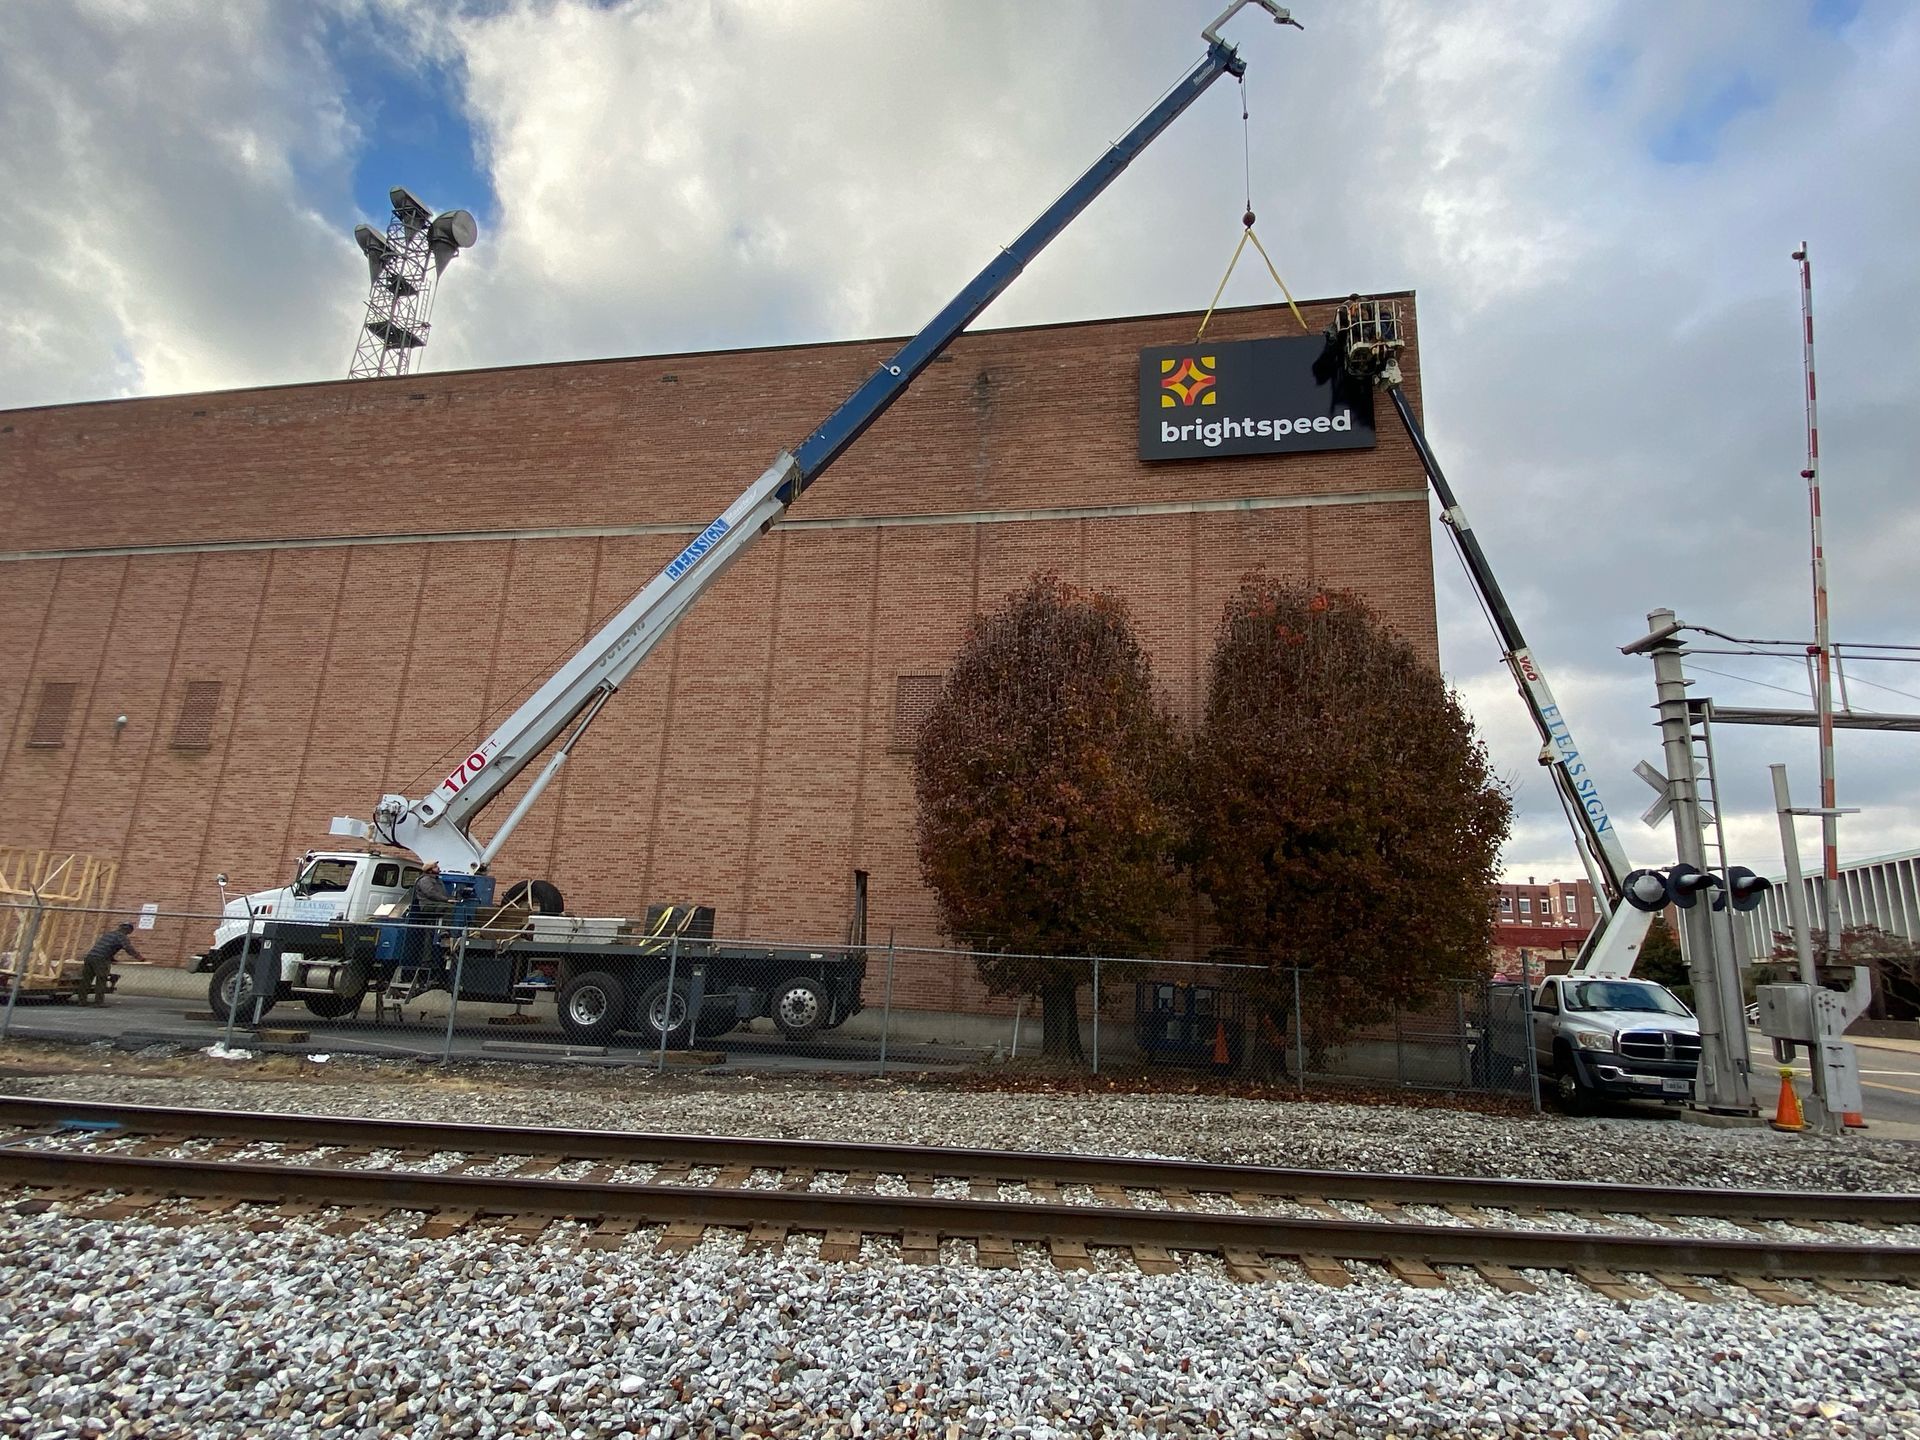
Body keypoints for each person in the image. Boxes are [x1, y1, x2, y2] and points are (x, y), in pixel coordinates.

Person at [79, 922, 144, 1005]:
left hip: (90, 957)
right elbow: (128, 948)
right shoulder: (122, 936)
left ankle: (82, 1001)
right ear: (129, 930)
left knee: (86, 980)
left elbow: (106, 947)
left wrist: (112, 958)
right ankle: (98, 1002)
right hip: (101, 959)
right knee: (101, 980)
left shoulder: (109, 934)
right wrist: (139, 957)